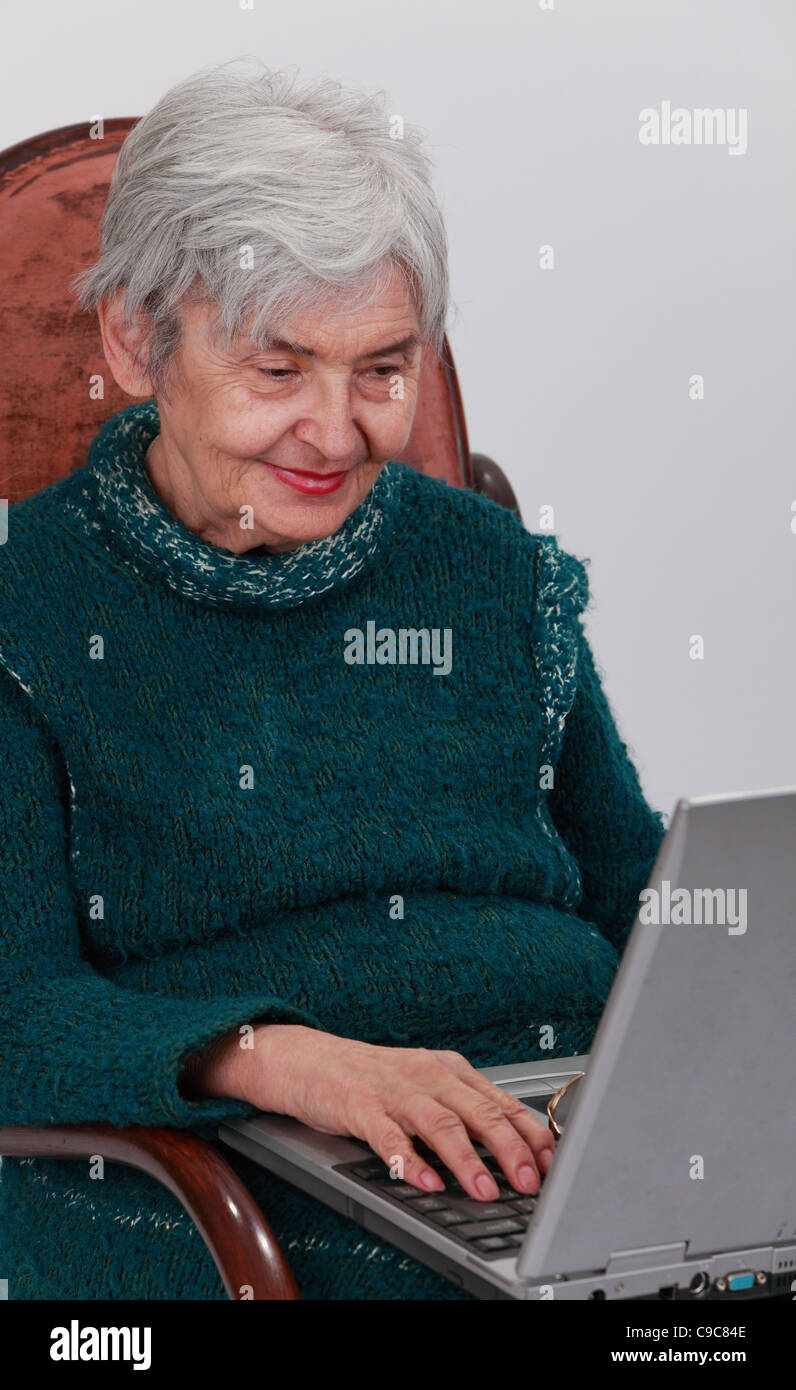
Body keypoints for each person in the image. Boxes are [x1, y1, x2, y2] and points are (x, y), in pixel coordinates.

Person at [0, 61, 665, 1300]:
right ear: (138, 339)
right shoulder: (24, 616)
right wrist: (284, 1059)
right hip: (201, 1164)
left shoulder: (491, 574)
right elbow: (17, 1008)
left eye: (381, 368)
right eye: (277, 369)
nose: (337, 431)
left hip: (545, 1120)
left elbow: (636, 892)